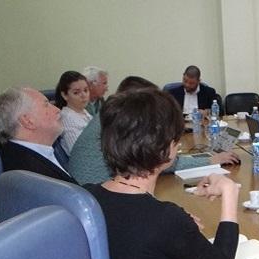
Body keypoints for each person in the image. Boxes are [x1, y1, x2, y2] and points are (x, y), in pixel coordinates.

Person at [85, 88, 240, 259]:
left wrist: (177, 226)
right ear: (165, 148)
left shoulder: (86, 197)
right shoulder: (165, 219)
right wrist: (229, 192)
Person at [68, 76, 239, 185]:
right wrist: (211, 160)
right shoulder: (124, 122)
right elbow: (156, 159)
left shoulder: (109, 116)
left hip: (95, 193)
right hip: (100, 199)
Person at [0, 86, 77, 184]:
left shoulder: (30, 152)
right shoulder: (30, 174)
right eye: (46, 105)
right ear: (27, 121)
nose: (57, 109)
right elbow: (73, 196)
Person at [55, 71, 92, 155]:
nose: (83, 95)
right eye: (76, 92)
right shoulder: (67, 119)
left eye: (86, 90)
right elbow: (79, 154)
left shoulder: (84, 112)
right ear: (65, 95)